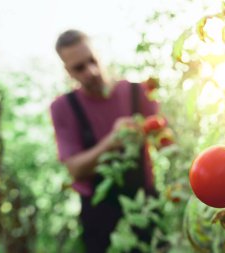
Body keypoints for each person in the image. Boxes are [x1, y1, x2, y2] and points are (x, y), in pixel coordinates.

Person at [49, 29, 159, 253]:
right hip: (99, 214)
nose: (91, 71)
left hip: (146, 202)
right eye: (79, 67)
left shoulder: (137, 92)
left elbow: (165, 138)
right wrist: (112, 140)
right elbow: (76, 169)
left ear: (98, 53)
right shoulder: (63, 107)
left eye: (92, 60)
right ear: (67, 71)